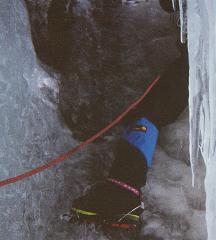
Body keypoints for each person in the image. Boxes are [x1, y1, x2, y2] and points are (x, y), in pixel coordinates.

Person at [67, 0, 188, 231]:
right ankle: (121, 192)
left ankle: (121, 193)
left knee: (147, 116)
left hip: (196, 63)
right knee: (145, 115)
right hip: (194, 60)